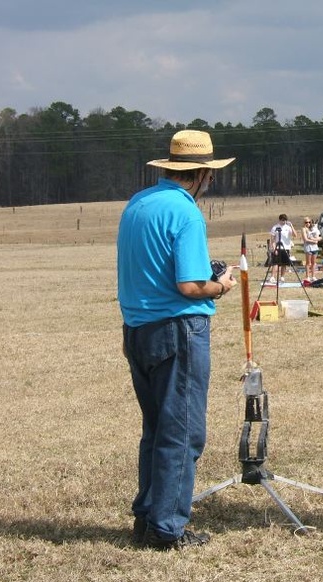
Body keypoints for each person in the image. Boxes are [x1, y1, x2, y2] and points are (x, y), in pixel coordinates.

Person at [117, 130, 237, 550]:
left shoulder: (138, 203)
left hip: (138, 330)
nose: (211, 181)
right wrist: (221, 284)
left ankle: (147, 517)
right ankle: (167, 528)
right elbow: (189, 286)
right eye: (210, 175)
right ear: (202, 174)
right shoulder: (186, 213)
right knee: (183, 432)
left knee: (155, 430)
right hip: (178, 330)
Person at [269, 214, 296, 283]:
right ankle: (272, 277)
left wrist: (291, 226)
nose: (284, 221)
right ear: (280, 220)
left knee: (284, 263)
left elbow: (295, 235)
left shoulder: (288, 227)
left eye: (285, 220)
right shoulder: (275, 227)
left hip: (286, 247)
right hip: (278, 247)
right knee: (275, 263)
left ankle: (282, 277)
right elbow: (272, 239)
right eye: (282, 220)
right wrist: (274, 248)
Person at [301, 216, 321, 281]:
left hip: (315, 248)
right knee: (308, 263)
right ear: (304, 223)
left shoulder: (313, 228)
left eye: (309, 222)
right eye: (306, 222)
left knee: (313, 263)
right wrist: (314, 241)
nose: (308, 223)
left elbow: (319, 238)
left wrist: (314, 239)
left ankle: (313, 276)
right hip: (308, 247)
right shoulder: (303, 229)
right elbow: (305, 239)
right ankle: (307, 276)